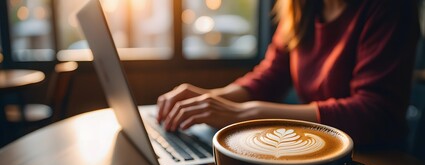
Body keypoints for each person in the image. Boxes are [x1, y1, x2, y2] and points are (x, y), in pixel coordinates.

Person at [156, 0, 419, 148]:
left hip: (379, 161)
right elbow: (272, 74)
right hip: (319, 151)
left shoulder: (390, 8)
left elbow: (375, 113)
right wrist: (209, 99)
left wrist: (246, 114)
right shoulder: (302, 6)